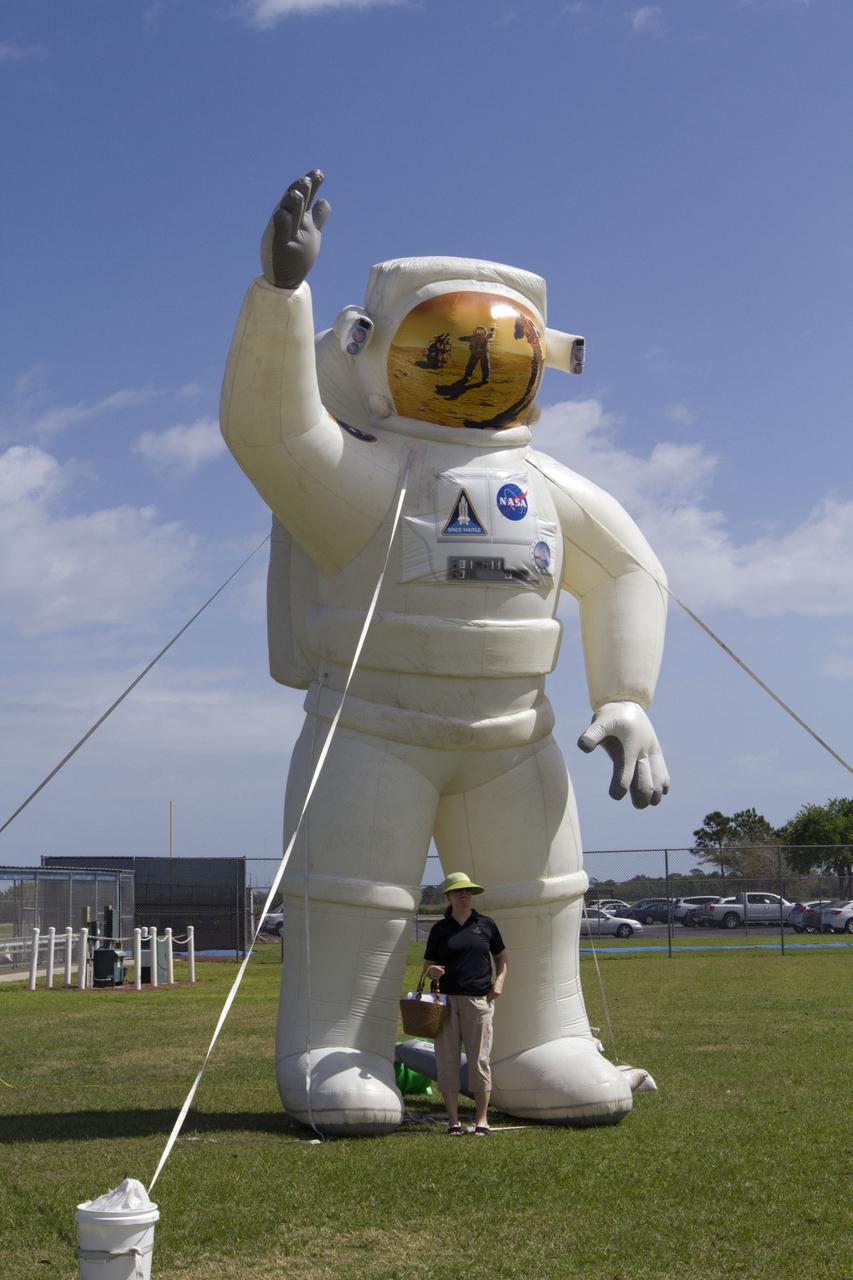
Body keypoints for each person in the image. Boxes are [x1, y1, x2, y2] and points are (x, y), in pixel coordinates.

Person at [423, 872, 508, 1135]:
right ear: (448, 896)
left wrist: (499, 982)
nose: (464, 895)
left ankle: (482, 1120)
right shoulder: (440, 929)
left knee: (479, 1060)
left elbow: (502, 958)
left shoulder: (486, 925)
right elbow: (427, 966)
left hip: (478, 1000)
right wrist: (432, 971)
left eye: (468, 891)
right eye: (459, 891)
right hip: (445, 1002)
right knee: (446, 1060)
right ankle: (453, 1122)